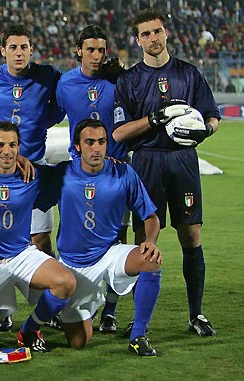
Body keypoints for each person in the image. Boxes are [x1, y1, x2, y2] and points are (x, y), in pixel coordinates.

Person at [113, 8, 220, 337]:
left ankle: (196, 314)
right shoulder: (129, 80)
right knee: (146, 241)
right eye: (145, 34)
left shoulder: (189, 73)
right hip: (146, 162)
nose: (152, 38)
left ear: (166, 33)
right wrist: (154, 120)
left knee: (191, 236)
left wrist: (204, 132)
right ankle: (139, 319)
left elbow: (212, 116)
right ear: (137, 41)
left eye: (156, 31)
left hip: (183, 160)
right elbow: (118, 133)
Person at [40, 118, 162, 356]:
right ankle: (81, 309)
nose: (96, 148)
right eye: (89, 142)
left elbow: (151, 217)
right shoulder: (62, 173)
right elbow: (32, 201)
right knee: (78, 342)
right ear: (77, 146)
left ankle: (138, 335)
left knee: (151, 259)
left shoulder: (123, 172)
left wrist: (150, 242)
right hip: (72, 266)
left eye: (101, 142)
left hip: (109, 254)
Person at [0, 121, 75, 352]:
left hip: (21, 256)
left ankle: (30, 329)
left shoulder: (33, 175)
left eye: (12, 145)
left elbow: (72, 169)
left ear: (19, 148)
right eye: (0, 145)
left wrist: (107, 162)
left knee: (65, 282)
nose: (6, 151)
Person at [0, 24, 65, 331]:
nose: (19, 52)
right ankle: (0, 308)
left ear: (32, 50)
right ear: (2, 50)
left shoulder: (47, 76)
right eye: (13, 47)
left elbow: (57, 109)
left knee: (41, 238)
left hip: (36, 168)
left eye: (24, 47)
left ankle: (49, 308)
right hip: (0, 169)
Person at [56, 24, 128, 334]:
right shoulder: (65, 84)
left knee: (116, 238)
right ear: (78, 51)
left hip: (115, 172)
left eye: (101, 50)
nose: (96, 56)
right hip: (78, 175)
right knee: (74, 236)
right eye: (90, 49)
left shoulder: (118, 81)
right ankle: (67, 303)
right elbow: (49, 115)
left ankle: (110, 312)